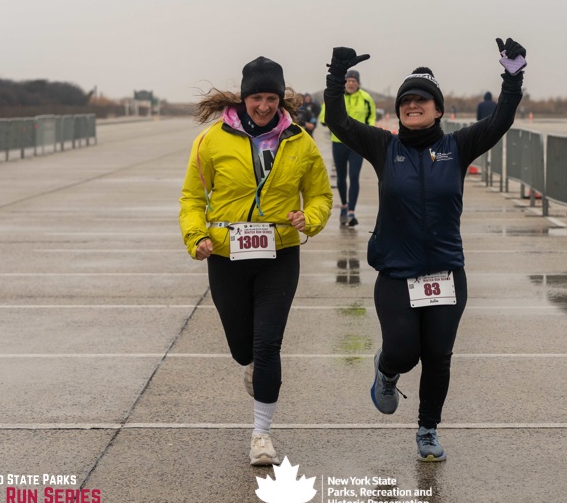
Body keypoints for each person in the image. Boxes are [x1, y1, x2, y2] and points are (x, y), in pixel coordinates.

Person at [322, 36, 527, 462]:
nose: (412, 105)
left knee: (438, 356)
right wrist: (336, 76)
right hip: (397, 271)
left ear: (438, 110)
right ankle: (386, 369)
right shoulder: (384, 147)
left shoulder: (457, 147)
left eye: (422, 100)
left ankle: (428, 429)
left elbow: (500, 120)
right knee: (403, 351)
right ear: (399, 110)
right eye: (406, 100)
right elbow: (338, 122)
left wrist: (512, 78)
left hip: (445, 272)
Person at [180, 56, 333, 466]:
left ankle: (261, 435)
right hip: (226, 255)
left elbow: (320, 194)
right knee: (242, 347)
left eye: (271, 98)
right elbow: (192, 197)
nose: (264, 106)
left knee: (268, 344)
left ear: (281, 99)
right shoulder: (211, 140)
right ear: (244, 98)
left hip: (278, 254)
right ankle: (250, 364)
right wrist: (196, 236)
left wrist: (310, 218)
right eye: (256, 98)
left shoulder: (299, 140)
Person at [319, 69, 375, 227]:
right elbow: (323, 118)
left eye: (354, 81)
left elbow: (371, 118)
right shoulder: (336, 96)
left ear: (358, 83)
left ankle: (351, 212)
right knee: (341, 177)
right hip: (338, 142)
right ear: (344, 82)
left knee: (354, 176)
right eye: (348, 81)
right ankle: (344, 205)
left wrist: (368, 132)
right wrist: (333, 124)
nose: (351, 83)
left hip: (357, 144)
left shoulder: (366, 98)